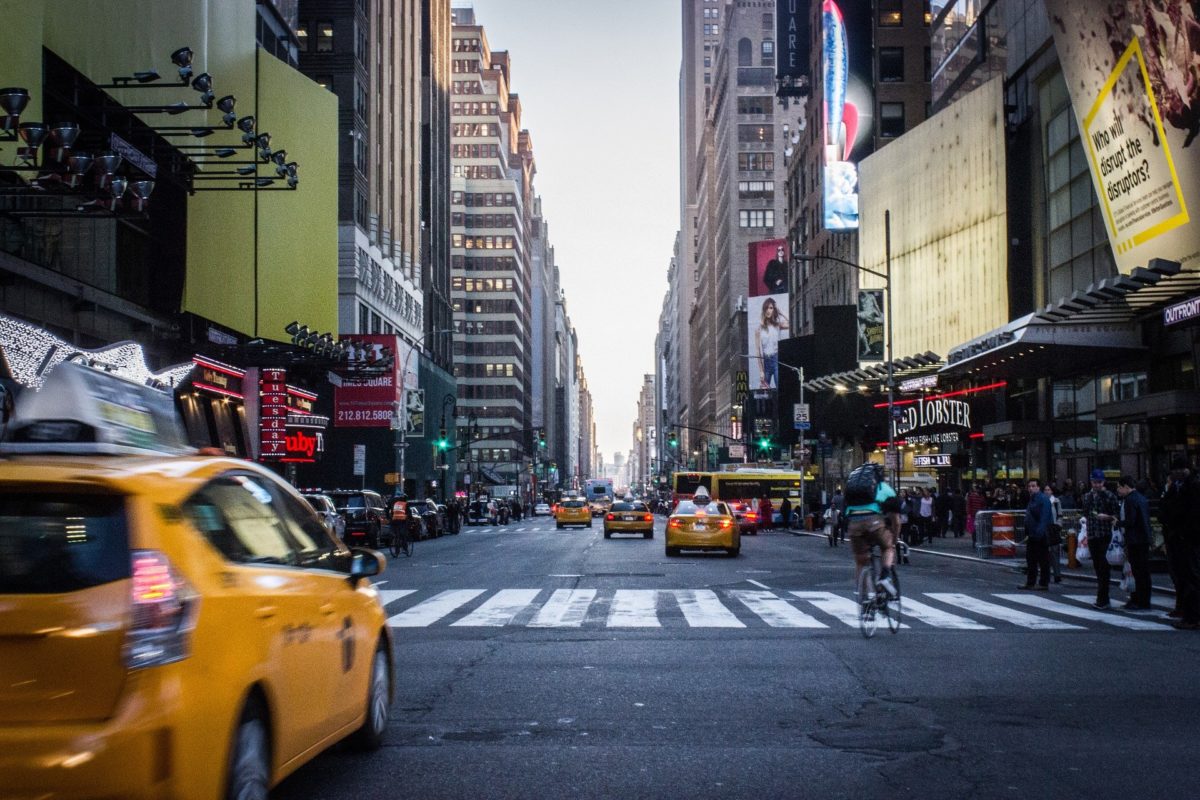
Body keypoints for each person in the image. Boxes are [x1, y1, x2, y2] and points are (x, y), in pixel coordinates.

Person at [844, 463, 900, 599]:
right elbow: (896, 521)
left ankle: (864, 598)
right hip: (873, 522)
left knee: (861, 561)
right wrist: (894, 539)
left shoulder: (853, 492)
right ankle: (885, 577)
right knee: (887, 548)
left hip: (853, 524)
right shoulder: (884, 488)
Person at [1160, 456, 1200, 629]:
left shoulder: (1192, 487)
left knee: (1191, 576)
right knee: (1183, 576)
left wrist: (1183, 533)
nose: (1174, 475)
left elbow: (1192, 514)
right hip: (1179, 537)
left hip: (1187, 538)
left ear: (1184, 470)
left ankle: (1192, 616)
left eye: (1176, 471)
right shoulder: (1178, 487)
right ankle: (1188, 613)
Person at [1081, 469, 1120, 609]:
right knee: (1098, 567)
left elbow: (1117, 514)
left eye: (1099, 482)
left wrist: (1108, 517)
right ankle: (1102, 596)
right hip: (1092, 534)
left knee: (1103, 567)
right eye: (1094, 482)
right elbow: (1085, 512)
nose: (1096, 485)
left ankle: (1103, 597)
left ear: (1103, 482)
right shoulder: (1087, 496)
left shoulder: (1109, 496)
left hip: (1105, 534)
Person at [1116, 475, 1152, 611]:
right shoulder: (1141, 498)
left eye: (1119, 487)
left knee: (1137, 571)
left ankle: (1138, 600)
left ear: (1126, 487)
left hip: (1135, 539)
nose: (1118, 490)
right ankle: (1143, 600)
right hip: (1143, 538)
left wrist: (1118, 522)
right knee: (1143, 572)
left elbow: (1131, 521)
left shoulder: (1129, 500)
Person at [1020, 479, 1053, 590]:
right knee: (1031, 559)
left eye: (1033, 486)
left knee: (1043, 560)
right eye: (1029, 486)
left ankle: (1043, 583)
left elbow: (1044, 518)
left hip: (1040, 534)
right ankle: (1031, 582)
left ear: (1038, 487)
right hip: (1032, 533)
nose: (1031, 488)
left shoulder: (1043, 499)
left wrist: (1039, 532)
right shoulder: (1032, 499)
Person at [754, 297, 789, 389]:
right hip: (766, 361)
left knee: (780, 389)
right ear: (764, 310)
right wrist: (761, 370)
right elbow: (758, 351)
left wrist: (780, 311)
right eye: (767, 308)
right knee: (764, 393)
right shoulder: (759, 329)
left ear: (774, 310)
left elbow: (791, 322)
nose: (768, 311)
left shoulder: (777, 325)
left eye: (771, 308)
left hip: (776, 359)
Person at [1043, 483, 1063, 583]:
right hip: (1044, 528)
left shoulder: (1056, 501)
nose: (1047, 492)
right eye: (1045, 490)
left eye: (1049, 490)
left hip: (1053, 528)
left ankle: (1057, 574)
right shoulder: (1042, 501)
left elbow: (1060, 514)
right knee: (1045, 553)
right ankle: (1046, 575)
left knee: (1055, 552)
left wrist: (1058, 525)